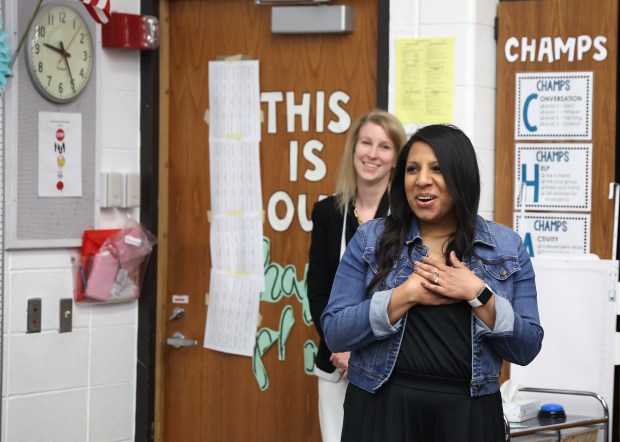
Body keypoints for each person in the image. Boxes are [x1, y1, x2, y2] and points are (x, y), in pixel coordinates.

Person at [321, 124, 544, 442]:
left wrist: (478, 294)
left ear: (460, 176)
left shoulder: (506, 247)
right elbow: (335, 332)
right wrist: (405, 295)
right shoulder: (371, 239)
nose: (421, 179)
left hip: (468, 414)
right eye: (412, 169)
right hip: (379, 406)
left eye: (436, 169)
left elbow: (527, 346)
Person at [308, 110, 407, 442]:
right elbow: (318, 291)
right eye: (366, 143)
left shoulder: (407, 219)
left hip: (389, 364)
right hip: (335, 363)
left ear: (396, 159)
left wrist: (360, 349)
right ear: (353, 150)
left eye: (384, 147)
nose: (372, 154)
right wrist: (341, 346)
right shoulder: (326, 213)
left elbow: (404, 293)